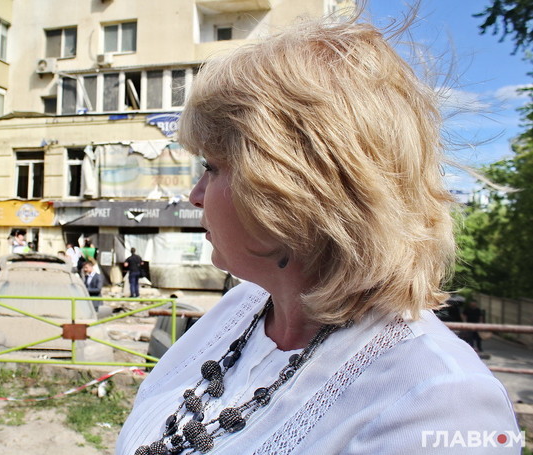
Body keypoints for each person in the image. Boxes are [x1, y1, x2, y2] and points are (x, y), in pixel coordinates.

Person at [117, 14, 520, 455]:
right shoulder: (240, 308)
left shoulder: (441, 403)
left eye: (211, 167)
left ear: (292, 190)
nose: (195, 196)